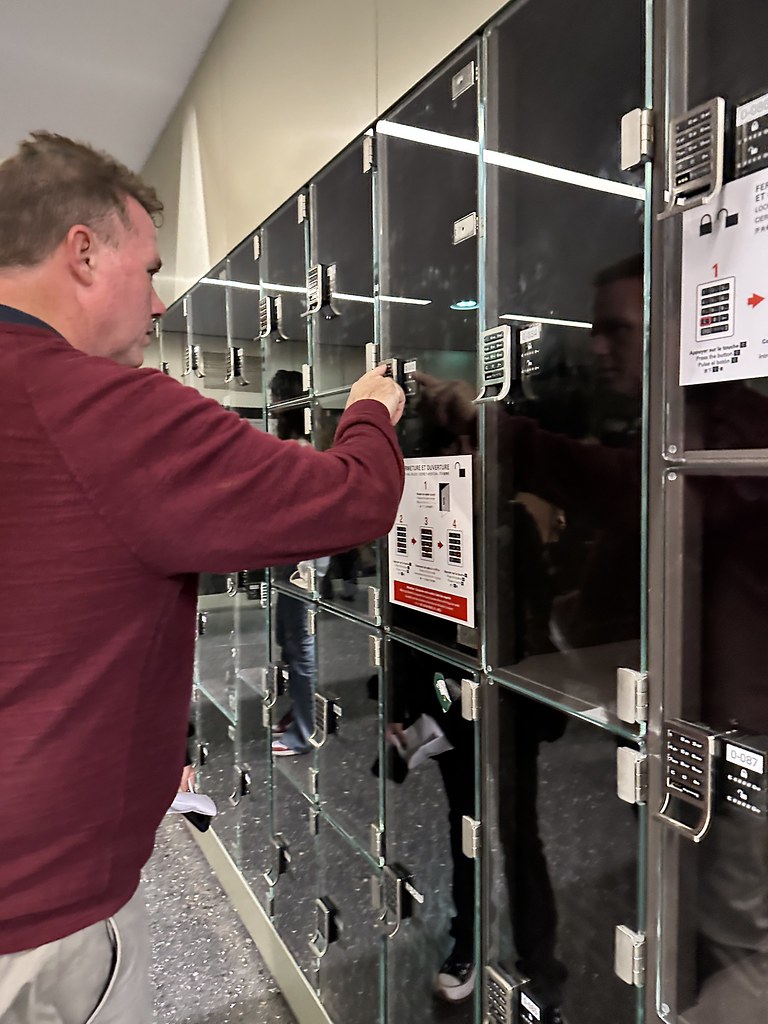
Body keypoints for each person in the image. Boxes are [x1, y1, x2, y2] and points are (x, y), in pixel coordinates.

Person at [0, 131, 404, 1024]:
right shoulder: (101, 411)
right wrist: (372, 411)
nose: (156, 303)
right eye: (146, 271)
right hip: (42, 925)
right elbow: (352, 500)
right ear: (81, 250)